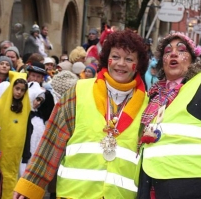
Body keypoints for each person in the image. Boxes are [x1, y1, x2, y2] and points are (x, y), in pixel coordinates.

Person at [13, 29, 149, 199]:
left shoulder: (148, 105)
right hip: (74, 194)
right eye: (116, 56)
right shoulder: (79, 91)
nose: (121, 63)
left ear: (139, 64)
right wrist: (30, 184)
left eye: (129, 59)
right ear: (107, 59)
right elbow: (52, 141)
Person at [137, 32, 201, 199]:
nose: (173, 53)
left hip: (197, 187)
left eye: (181, 50)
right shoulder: (153, 96)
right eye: (167, 51)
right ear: (161, 62)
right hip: (153, 185)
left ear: (193, 60)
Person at [0, 71, 30, 199]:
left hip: (16, 152)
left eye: (22, 90)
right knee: (0, 176)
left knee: (12, 176)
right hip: (0, 149)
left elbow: (28, 131)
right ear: (11, 88)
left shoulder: (25, 109)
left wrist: (26, 153)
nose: (19, 92)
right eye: (17, 88)